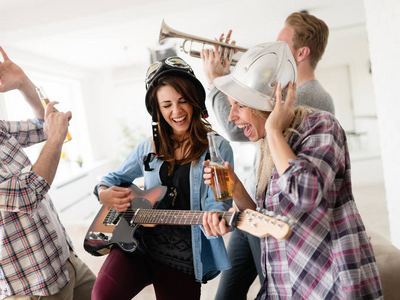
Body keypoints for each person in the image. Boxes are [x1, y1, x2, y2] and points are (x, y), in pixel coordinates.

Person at [202, 41, 382, 299]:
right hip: (285, 286)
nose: (231, 117)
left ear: (270, 102)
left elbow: (304, 194)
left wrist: (274, 129)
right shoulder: (267, 145)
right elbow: (271, 225)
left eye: (239, 106)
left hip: (332, 287)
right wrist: (236, 189)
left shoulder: (321, 125)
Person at [201, 11, 335, 300]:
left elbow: (238, 130)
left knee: (272, 286)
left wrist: (215, 82)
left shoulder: (307, 100)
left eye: (280, 46)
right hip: (257, 208)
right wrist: (236, 189)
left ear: (301, 53)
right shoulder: (270, 121)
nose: (274, 53)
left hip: (282, 222)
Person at [0, 44, 96, 299]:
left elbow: (45, 125)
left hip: (66, 260)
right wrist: (55, 141)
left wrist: (24, 85)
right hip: (32, 285)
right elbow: (24, 195)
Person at [90, 56, 234, 300]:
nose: (176, 112)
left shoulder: (219, 148)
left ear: (196, 101)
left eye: (183, 101)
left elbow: (220, 203)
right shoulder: (147, 147)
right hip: (136, 243)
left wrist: (216, 219)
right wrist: (104, 193)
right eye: (166, 105)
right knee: (102, 296)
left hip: (184, 257)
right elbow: (111, 179)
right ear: (157, 109)